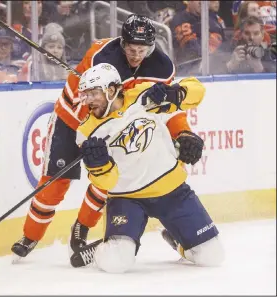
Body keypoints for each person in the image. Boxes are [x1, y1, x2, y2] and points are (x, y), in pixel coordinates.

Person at [11, 14, 202, 262]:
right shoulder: (100, 57)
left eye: (141, 49)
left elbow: (169, 106)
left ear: (151, 46)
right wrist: (90, 134)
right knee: (54, 184)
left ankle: (81, 228)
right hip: (72, 120)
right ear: (122, 43)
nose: (135, 55)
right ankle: (31, 236)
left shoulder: (161, 67)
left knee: (108, 181)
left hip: (113, 126)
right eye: (131, 48)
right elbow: (88, 102)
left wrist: (183, 131)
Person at [75, 63, 224, 273]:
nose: (88, 101)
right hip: (127, 199)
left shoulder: (143, 96)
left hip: (172, 192)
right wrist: (99, 165)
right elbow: (107, 182)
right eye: (85, 95)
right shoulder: (86, 132)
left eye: (93, 94)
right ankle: (103, 247)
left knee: (212, 256)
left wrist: (175, 93)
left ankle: (177, 239)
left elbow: (198, 91)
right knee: (116, 263)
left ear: (110, 90)